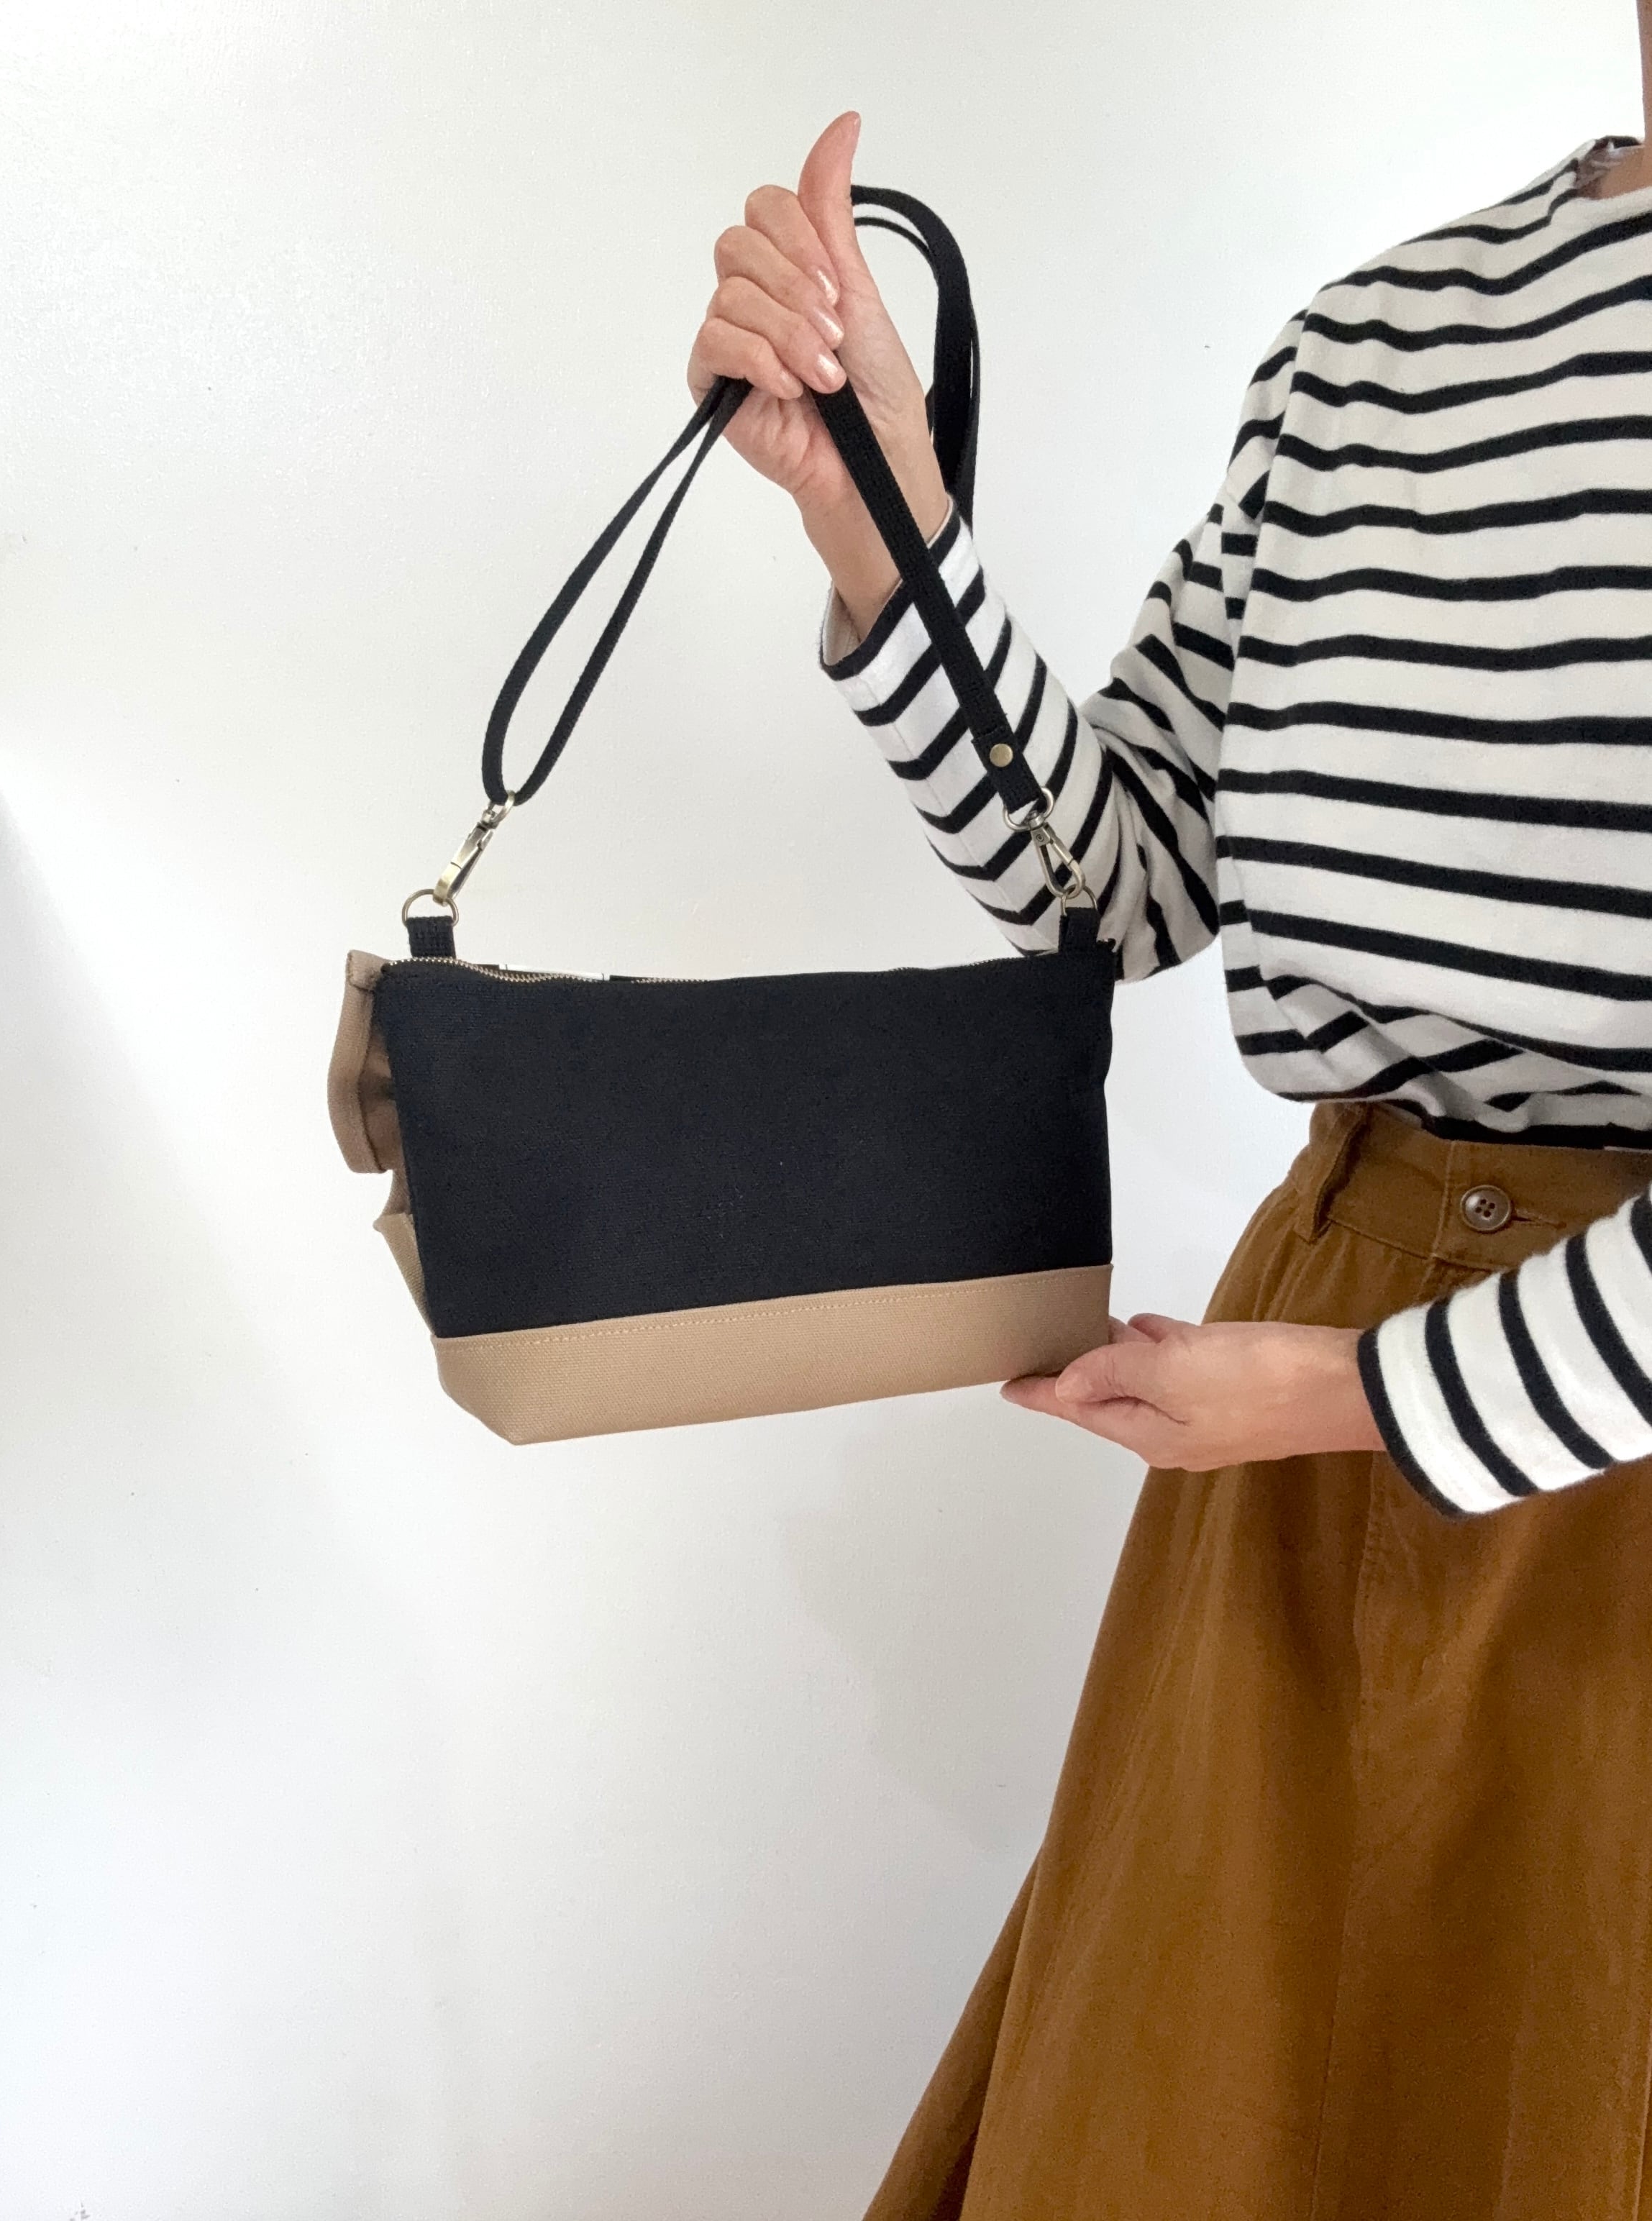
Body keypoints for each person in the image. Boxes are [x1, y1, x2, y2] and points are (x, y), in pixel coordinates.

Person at [685, 33, 1652, 2220]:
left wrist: (1363, 1395)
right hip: (1309, 1419)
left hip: (1487, 1423)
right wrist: (875, 511)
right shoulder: (1379, 343)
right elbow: (1115, 879)